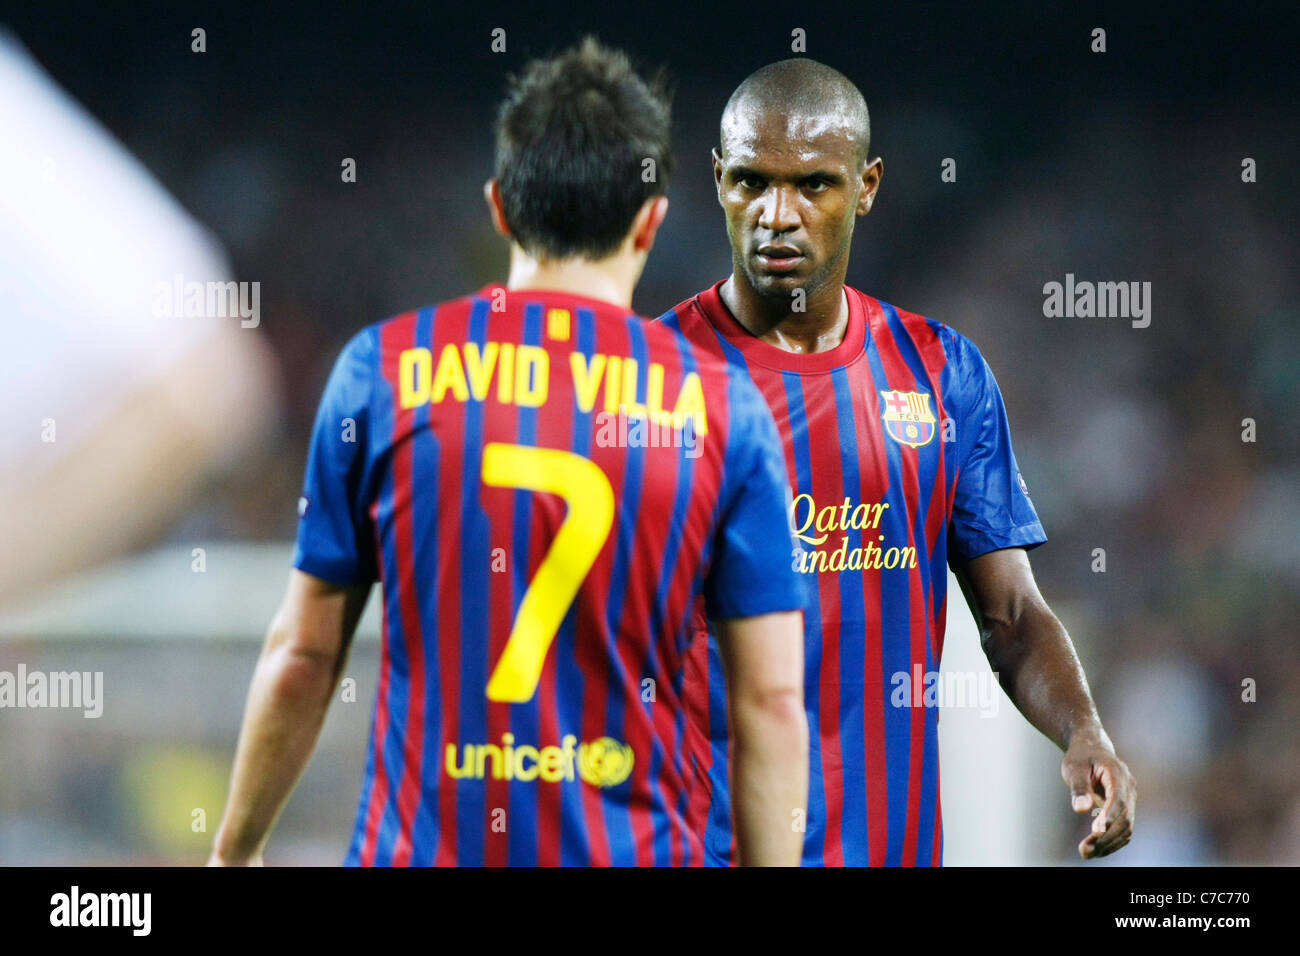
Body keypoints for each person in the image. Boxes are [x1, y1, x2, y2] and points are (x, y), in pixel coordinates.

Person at [209, 39, 808, 867]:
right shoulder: (724, 410)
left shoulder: (383, 373)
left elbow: (304, 656)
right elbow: (772, 701)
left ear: (498, 207)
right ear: (651, 220)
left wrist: (232, 853)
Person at [659, 58, 1135, 866]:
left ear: (868, 185)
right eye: (750, 182)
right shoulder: (647, 383)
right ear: (715, 180)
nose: (778, 214)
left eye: (814, 185)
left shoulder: (943, 373)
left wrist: (1083, 727)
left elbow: (1012, 617)